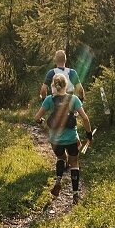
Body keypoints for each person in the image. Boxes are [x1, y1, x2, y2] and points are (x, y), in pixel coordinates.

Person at [33, 73, 93, 205]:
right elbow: (85, 118)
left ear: (54, 86)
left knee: (61, 158)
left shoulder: (49, 99)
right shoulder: (74, 99)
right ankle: (75, 195)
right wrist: (89, 134)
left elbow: (36, 118)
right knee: (74, 163)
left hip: (55, 141)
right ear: (66, 85)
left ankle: (59, 180)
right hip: (71, 139)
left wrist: (42, 121)